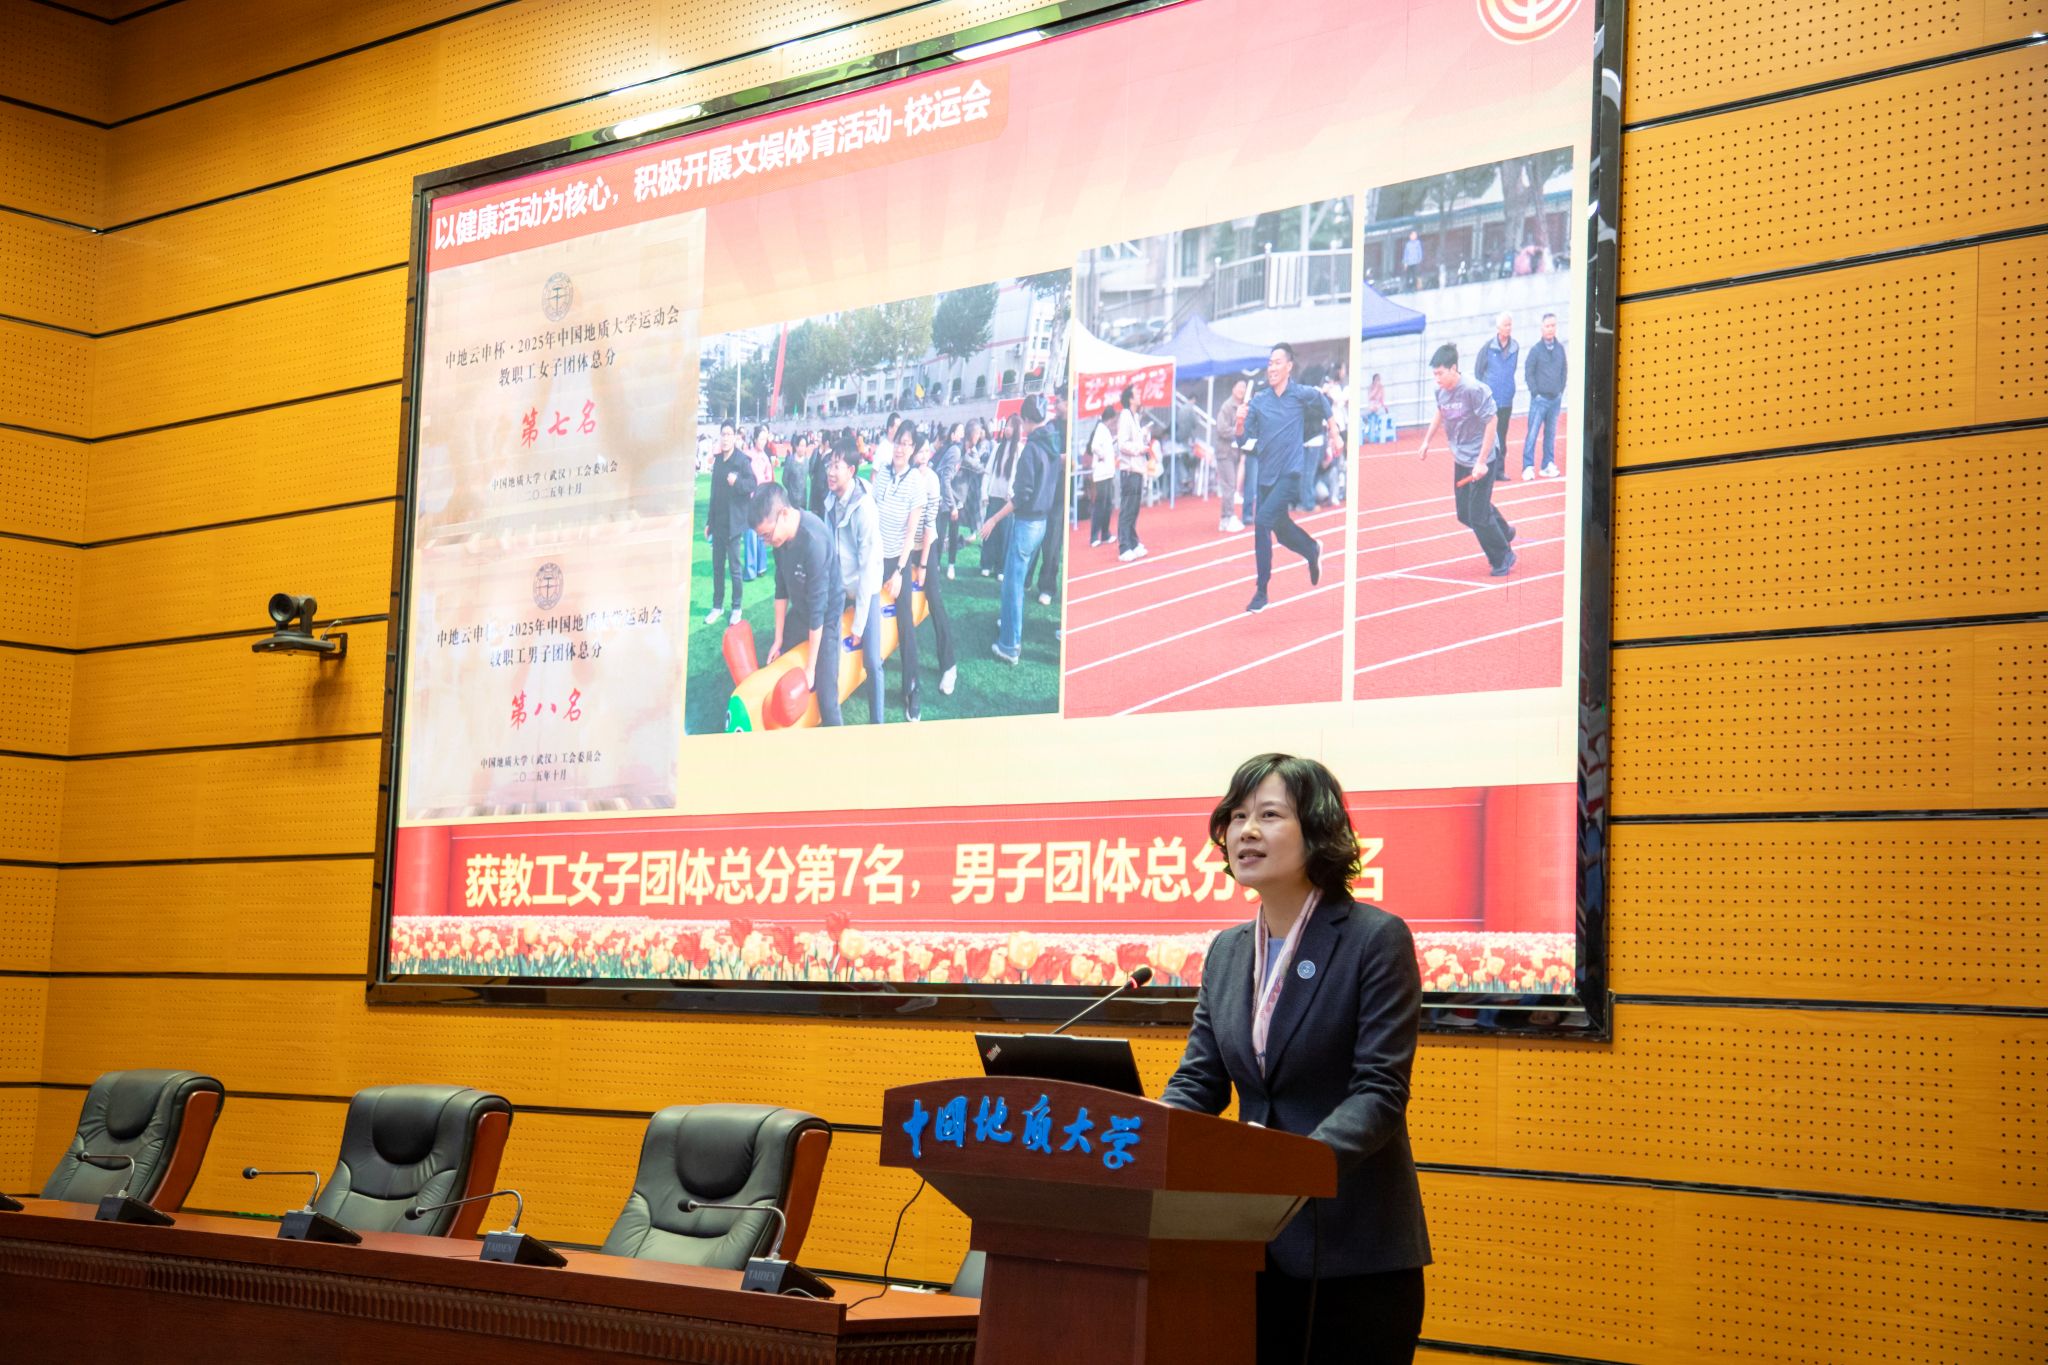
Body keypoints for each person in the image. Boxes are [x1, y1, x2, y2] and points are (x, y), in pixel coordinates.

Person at [1162, 753, 1429, 1365]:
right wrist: (1146, 1136)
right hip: (1246, 1248)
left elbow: (1380, 1090)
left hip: (1352, 1253)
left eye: (1269, 815)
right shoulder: (1228, 951)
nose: (1245, 831)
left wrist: (1291, 1169)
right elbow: (1200, 1082)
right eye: (1237, 817)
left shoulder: (1373, 938)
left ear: (1318, 830)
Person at [1238, 343, 1327, 613]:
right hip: (1267, 475)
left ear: (1289, 366)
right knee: (1282, 531)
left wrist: (1334, 433)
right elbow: (1242, 440)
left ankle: (1261, 591)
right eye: (1270, 363)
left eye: (1277, 362)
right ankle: (1311, 549)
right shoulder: (1258, 401)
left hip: (1290, 473)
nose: (1272, 367)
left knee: (1262, 521)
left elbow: (1322, 400)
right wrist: (1240, 422)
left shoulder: (1299, 394)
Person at [1417, 343, 1516, 576]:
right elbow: (1440, 412)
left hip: (1483, 456)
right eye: (1434, 374)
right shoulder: (1440, 391)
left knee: (1478, 515)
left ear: (1454, 369)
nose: (1437, 379)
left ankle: (1503, 556)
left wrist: (1481, 461)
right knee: (1465, 513)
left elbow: (1492, 421)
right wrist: (1426, 441)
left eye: (1440, 373)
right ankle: (1503, 530)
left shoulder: (1473, 389)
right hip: (1461, 457)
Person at [751, 483, 843, 727]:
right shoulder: (779, 541)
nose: (766, 542)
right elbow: (781, 589)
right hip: (801, 611)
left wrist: (810, 669)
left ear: (783, 514)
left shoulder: (814, 540)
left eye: (766, 535)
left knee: (826, 696)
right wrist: (778, 639)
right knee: (776, 660)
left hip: (826, 616)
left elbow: (818, 610)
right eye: (761, 537)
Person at [979, 394, 1058, 664]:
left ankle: (1010, 645)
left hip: (1027, 523)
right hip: (1041, 522)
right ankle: (1010, 626)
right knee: (1016, 581)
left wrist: (994, 519)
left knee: (1013, 585)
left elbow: (1021, 495)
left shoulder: (1031, 450)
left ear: (1025, 420)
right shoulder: (1051, 442)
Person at [822, 440, 885, 725]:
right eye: (829, 464)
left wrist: (858, 625)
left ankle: (877, 725)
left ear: (851, 470)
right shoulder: (830, 499)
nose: (830, 471)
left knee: (871, 660)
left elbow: (868, 570)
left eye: (836, 466)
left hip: (864, 587)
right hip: (840, 587)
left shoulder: (864, 508)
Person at [703, 421, 756, 626]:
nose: (725, 438)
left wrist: (737, 483)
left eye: (729, 434)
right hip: (718, 524)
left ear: (734, 437)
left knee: (735, 569)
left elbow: (752, 484)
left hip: (734, 526)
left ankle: (736, 607)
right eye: (723, 434)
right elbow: (714, 494)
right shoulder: (718, 461)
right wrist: (709, 522)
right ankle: (717, 606)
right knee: (717, 568)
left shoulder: (741, 461)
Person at [1472, 314, 1518, 481]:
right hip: (1490, 401)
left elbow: (1512, 370)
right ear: (1498, 328)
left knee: (1502, 436)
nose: (1508, 328)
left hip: (1506, 400)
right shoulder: (1488, 347)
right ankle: (1485, 469)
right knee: (1489, 436)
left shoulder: (1515, 347)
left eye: (1510, 325)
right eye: (1505, 325)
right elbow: (1478, 371)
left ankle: (1499, 470)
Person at [1521, 313, 1566, 479]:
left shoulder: (1560, 349)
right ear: (1542, 328)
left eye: (1553, 325)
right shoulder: (1535, 350)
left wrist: (1560, 390)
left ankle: (1547, 464)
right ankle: (1528, 466)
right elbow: (1529, 372)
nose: (1550, 329)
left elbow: (1564, 370)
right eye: (1547, 326)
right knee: (1532, 433)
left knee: (1550, 434)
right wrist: (1535, 393)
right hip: (1539, 400)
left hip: (1555, 400)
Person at [1114, 385, 1149, 561]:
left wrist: (1144, 438)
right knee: (1127, 509)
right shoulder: (1125, 416)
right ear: (1130, 398)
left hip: (1138, 468)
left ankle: (1133, 542)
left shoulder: (1135, 417)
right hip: (1129, 469)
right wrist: (1138, 449)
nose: (1140, 396)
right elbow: (1122, 444)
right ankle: (1124, 546)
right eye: (1137, 394)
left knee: (1134, 509)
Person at [1213, 379, 1248, 532]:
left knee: (1231, 486)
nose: (1241, 390)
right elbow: (1221, 429)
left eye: (1244, 388)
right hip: (1225, 452)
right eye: (1239, 387)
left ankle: (1226, 518)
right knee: (1229, 485)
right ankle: (1228, 516)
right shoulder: (1227, 406)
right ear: (1233, 388)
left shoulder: (1243, 406)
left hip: (1234, 452)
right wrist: (1238, 432)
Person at [1086, 400, 1118, 546]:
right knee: (1101, 505)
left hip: (1107, 472)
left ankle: (1105, 533)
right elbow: (1094, 447)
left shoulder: (1103, 429)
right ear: (1110, 418)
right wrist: (1103, 455)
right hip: (1101, 473)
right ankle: (1094, 536)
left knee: (1107, 504)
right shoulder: (1101, 429)